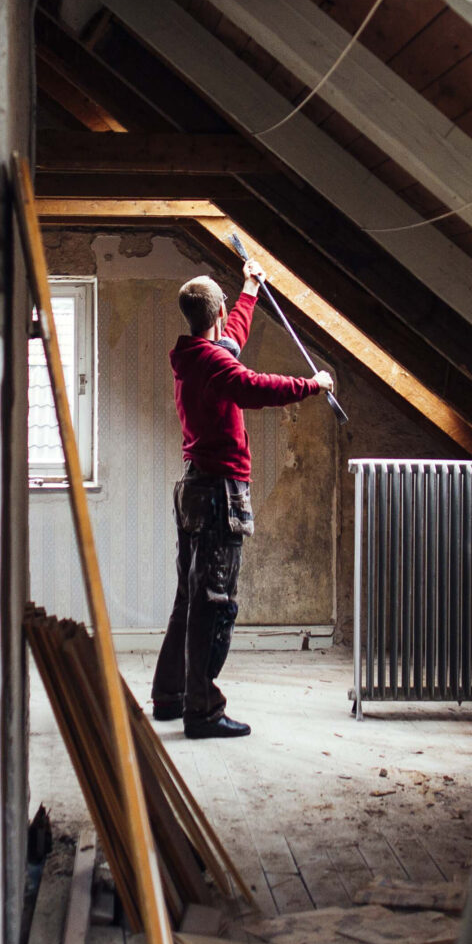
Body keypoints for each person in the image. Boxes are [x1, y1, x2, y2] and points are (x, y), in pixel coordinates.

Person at [152, 258, 335, 740]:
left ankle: (169, 696)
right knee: (214, 601)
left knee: (189, 598)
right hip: (218, 493)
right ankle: (203, 712)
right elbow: (254, 387)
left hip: (194, 487)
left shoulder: (196, 355)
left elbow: (232, 336)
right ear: (214, 314)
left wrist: (251, 287)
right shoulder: (215, 363)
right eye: (227, 307)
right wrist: (312, 386)